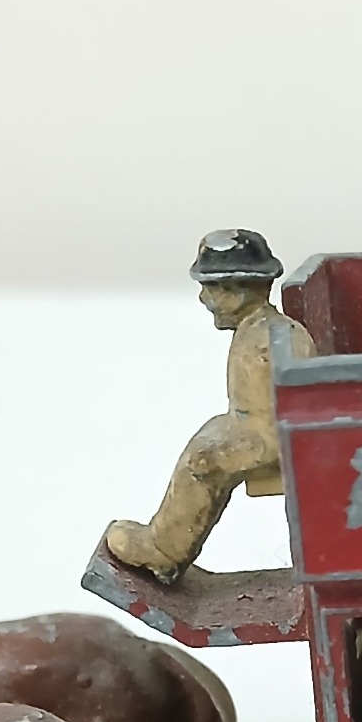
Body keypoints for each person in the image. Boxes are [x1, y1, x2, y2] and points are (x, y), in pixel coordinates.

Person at [104, 229, 315, 583]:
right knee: (209, 438)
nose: (205, 299)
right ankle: (164, 538)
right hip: (261, 428)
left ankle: (165, 550)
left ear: (241, 290)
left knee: (203, 461)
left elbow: (283, 414)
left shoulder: (272, 340)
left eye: (213, 289)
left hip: (274, 438)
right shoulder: (257, 330)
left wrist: (233, 445)